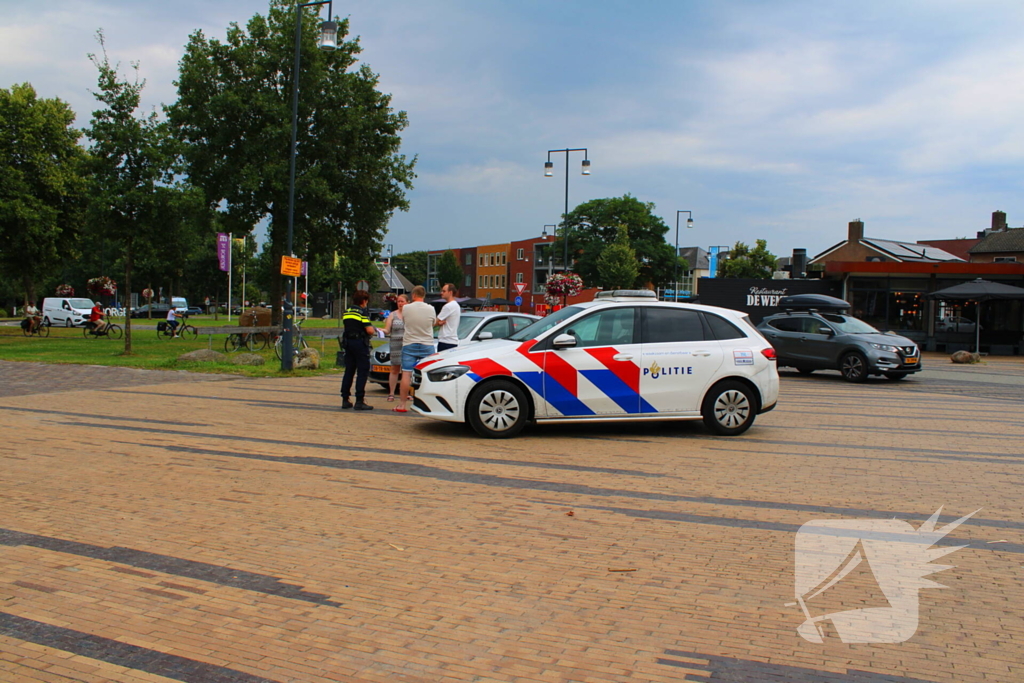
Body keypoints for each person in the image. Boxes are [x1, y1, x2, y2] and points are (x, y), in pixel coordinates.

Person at [395, 285, 436, 413]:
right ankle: (430, 405)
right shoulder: (431, 309)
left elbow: (405, 321)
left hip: (409, 343)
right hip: (427, 343)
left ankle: (402, 405)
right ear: (424, 295)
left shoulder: (406, 308)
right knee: (428, 375)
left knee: (406, 374)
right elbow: (433, 323)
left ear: (413, 295)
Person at [340, 290, 376, 411]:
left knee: (349, 371)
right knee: (362, 371)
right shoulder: (362, 312)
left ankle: (345, 399)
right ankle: (359, 400)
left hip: (348, 343)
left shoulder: (347, 311)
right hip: (359, 343)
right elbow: (369, 330)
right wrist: (374, 329)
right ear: (364, 301)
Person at [383, 293, 408, 402]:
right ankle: (391, 393)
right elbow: (387, 329)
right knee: (394, 368)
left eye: (402, 301)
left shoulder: (410, 315)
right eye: (398, 301)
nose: (400, 303)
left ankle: (406, 392)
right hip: (395, 345)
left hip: (407, 344)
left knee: (406, 369)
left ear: (407, 303)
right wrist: (381, 331)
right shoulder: (392, 314)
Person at [436, 282, 461, 352]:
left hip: (445, 341)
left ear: (450, 292)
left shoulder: (448, 306)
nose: (441, 293)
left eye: (444, 291)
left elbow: (434, 322)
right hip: (453, 341)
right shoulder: (456, 305)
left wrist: (438, 323)